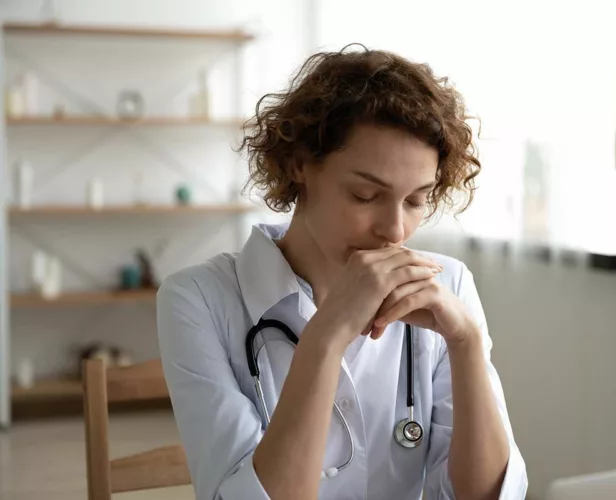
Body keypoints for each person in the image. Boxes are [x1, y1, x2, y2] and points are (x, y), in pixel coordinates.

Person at [157, 44, 528, 500]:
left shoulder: (447, 284)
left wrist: (467, 345)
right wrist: (326, 335)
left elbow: (488, 496)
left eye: (415, 201)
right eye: (365, 196)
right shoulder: (198, 299)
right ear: (299, 166)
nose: (395, 230)